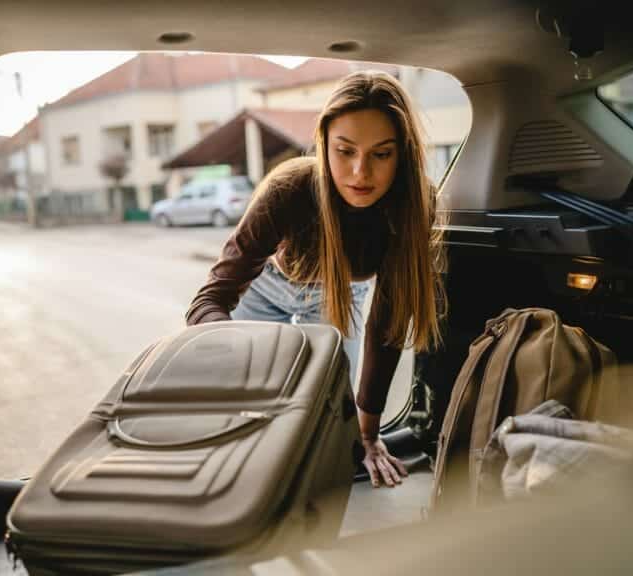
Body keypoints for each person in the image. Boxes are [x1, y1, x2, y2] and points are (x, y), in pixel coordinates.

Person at [185, 70, 446, 488]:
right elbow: (211, 297)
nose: (360, 173)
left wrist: (368, 432)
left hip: (341, 294)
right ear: (324, 144)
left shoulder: (416, 203)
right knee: (253, 394)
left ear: (403, 155)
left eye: (381, 154)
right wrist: (232, 358)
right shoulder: (289, 189)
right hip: (265, 286)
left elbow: (389, 320)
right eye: (345, 151)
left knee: (330, 405)